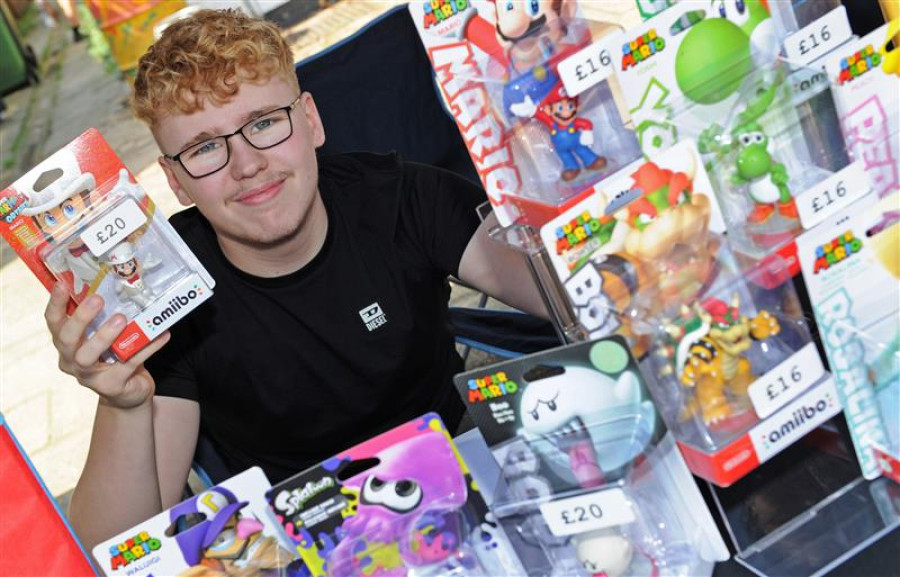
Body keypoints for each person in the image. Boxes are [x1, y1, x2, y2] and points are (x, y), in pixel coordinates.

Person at [45, 9, 547, 550]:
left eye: (263, 123)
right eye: (205, 148)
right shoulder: (172, 295)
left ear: (310, 121)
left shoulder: (401, 199)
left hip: (462, 487)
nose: (248, 165)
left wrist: (545, 171)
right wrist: (124, 404)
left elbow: (574, 289)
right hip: (305, 540)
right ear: (177, 181)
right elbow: (118, 547)